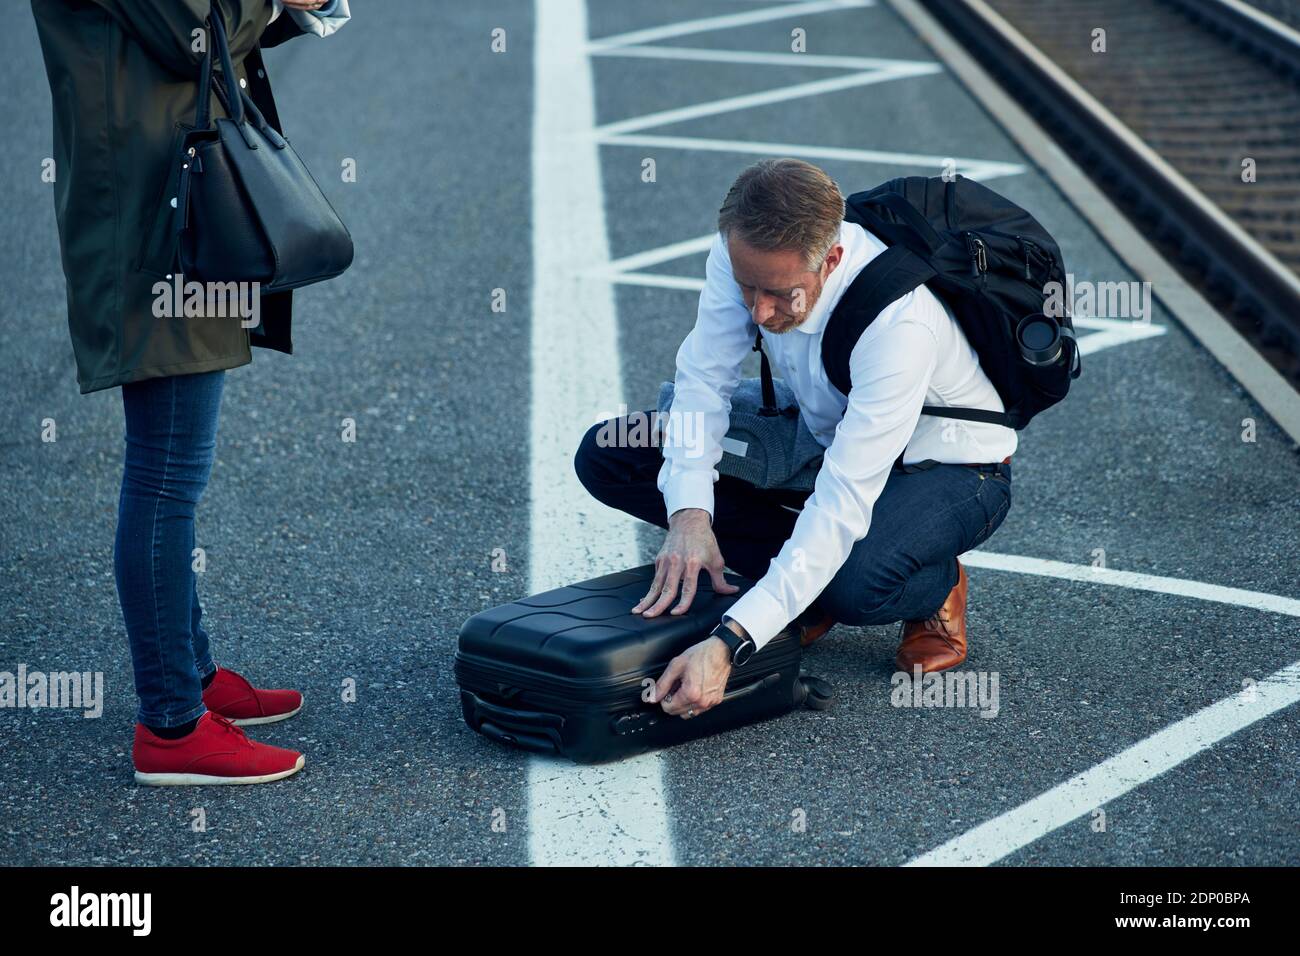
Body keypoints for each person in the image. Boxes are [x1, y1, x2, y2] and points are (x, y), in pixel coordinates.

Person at [575, 159, 1016, 722]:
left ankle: (934, 582)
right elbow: (704, 382)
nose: (758, 310)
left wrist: (730, 642)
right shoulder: (744, 253)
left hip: (949, 466)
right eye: (747, 287)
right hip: (824, 429)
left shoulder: (900, 326)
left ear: (829, 260)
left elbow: (840, 502)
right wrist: (689, 514)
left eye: (780, 294)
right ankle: (798, 576)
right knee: (613, 452)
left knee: (850, 585)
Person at [32, 0, 346, 785]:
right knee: (166, 475)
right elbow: (188, 32)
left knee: (174, 469)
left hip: (173, 188)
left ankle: (192, 675)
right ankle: (172, 725)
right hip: (152, 211)